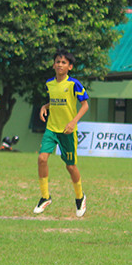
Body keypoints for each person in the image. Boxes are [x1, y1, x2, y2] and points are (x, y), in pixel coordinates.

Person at [34, 50, 89, 217]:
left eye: (64, 62)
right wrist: (45, 106)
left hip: (67, 131)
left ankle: (80, 197)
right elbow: (56, 101)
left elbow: (85, 105)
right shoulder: (49, 84)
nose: (60, 65)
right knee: (42, 158)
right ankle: (45, 197)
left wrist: (73, 122)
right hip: (52, 128)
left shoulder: (74, 84)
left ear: (70, 67)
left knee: (70, 166)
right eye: (57, 62)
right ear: (53, 65)